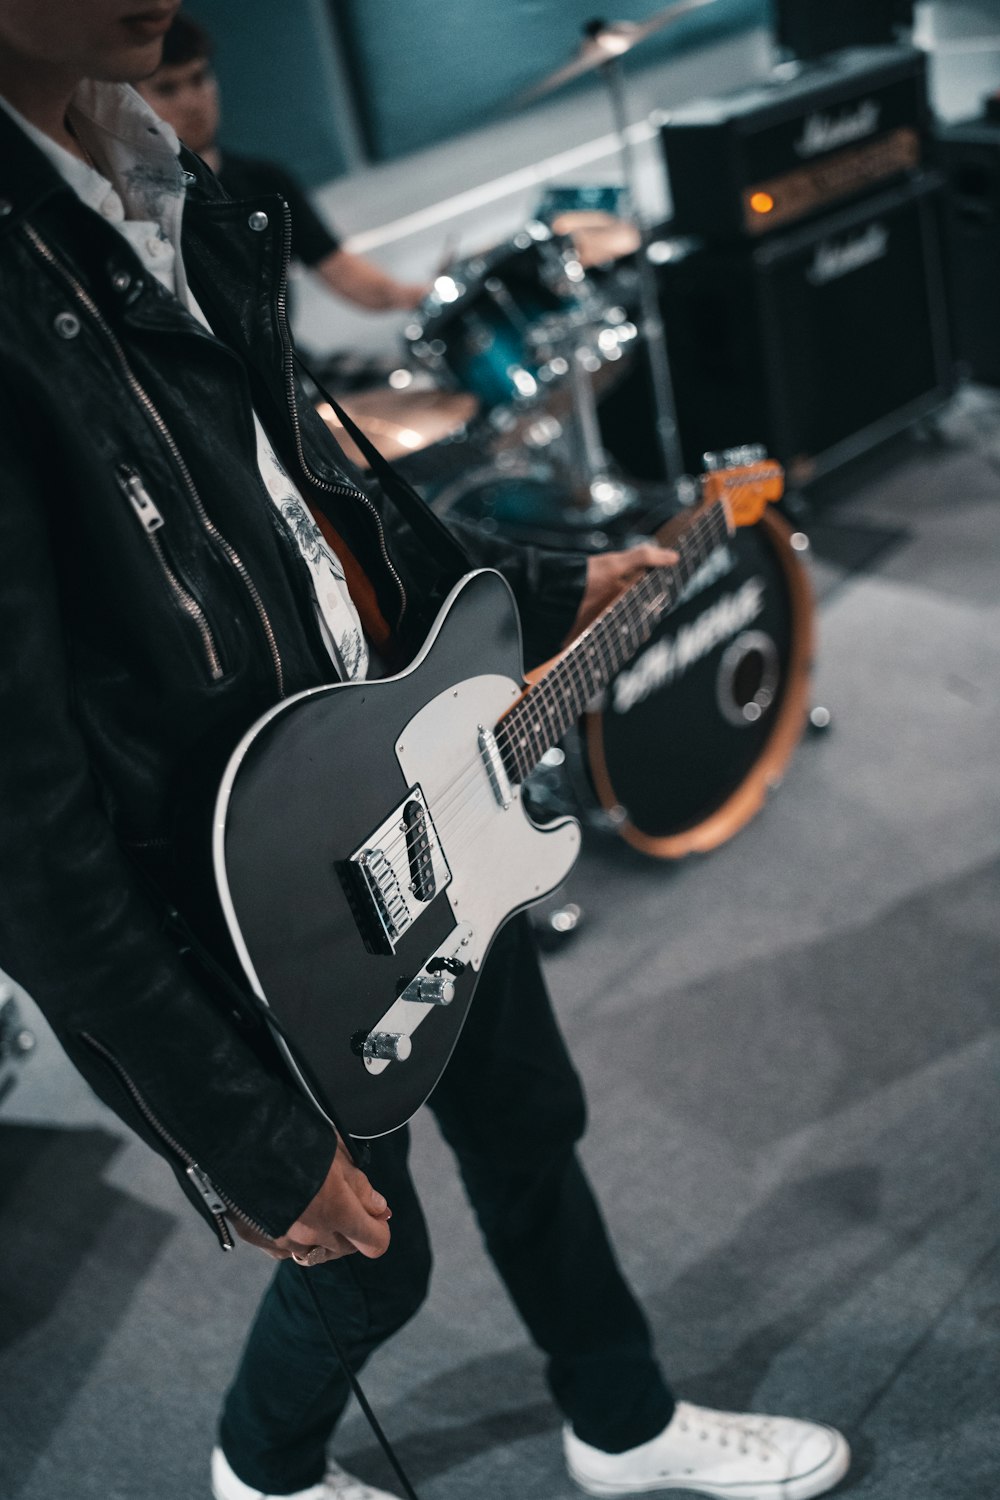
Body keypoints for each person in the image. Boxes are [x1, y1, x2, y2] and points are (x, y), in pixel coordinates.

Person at [0, 5, 851, 1500]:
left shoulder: (177, 186)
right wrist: (237, 1132)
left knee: (533, 1127)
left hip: (411, 772)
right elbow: (23, 826)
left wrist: (532, 592)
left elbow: (314, 505)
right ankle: (263, 1473)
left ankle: (626, 1420)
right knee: (369, 1262)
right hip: (250, 903)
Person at [137, 12, 427, 313]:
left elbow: (343, 272)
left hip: (286, 357)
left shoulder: (266, 181)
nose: (191, 101)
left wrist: (425, 295)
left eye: (198, 78)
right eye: (167, 88)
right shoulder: (134, 206)